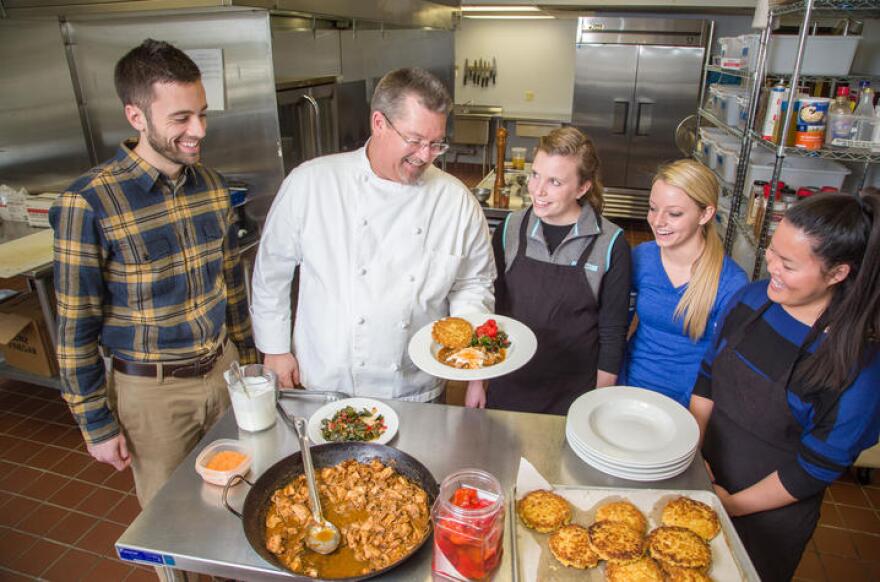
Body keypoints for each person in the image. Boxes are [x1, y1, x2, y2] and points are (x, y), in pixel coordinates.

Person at [50, 39, 257, 510]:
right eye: (181, 118)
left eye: (202, 113)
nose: (198, 130)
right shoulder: (88, 203)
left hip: (224, 373)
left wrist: (246, 365)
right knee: (174, 516)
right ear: (136, 116)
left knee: (240, 499)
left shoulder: (213, 186)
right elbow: (74, 329)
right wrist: (96, 424)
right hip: (154, 393)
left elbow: (231, 288)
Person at [250, 68, 493, 403]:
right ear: (379, 123)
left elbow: (473, 284)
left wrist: (473, 362)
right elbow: (272, 272)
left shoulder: (456, 202)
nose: (425, 155)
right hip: (324, 384)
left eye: (436, 143)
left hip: (415, 391)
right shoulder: (312, 183)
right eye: (415, 140)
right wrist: (275, 349)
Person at [690, 190, 880, 582]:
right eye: (773, 252)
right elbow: (707, 378)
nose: (770, 266)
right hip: (703, 477)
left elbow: (815, 468)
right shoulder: (750, 299)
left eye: (788, 264)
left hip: (768, 515)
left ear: (838, 273)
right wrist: (691, 458)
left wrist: (732, 505)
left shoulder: (857, 365)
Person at [480, 127, 631, 414]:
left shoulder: (610, 243)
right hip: (509, 386)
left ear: (583, 187)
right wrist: (478, 382)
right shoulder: (511, 229)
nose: (538, 190)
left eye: (555, 182)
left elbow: (612, 334)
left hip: (573, 396)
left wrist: (596, 407)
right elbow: (491, 311)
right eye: (535, 175)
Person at [620, 159, 748, 406]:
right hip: (631, 388)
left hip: (686, 404)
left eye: (674, 213)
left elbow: (721, 366)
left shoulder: (730, 282)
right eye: (653, 208)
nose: (658, 221)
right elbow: (616, 324)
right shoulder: (641, 258)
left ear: (705, 213)